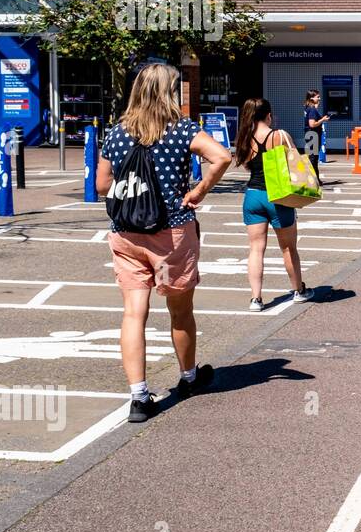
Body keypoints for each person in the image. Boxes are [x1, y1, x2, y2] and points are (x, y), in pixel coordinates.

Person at [96, 62, 231, 423]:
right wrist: (198, 190)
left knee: (133, 313)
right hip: (172, 230)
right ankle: (188, 378)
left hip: (126, 231)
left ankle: (139, 397)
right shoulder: (182, 129)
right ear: (169, 92)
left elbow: (101, 185)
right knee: (181, 311)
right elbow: (222, 156)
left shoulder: (117, 133)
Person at [236, 98, 314, 313]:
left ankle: (256, 298)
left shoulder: (244, 137)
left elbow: (246, 166)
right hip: (278, 196)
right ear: (268, 115)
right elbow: (294, 161)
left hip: (252, 195)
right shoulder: (279, 135)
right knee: (288, 247)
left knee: (255, 249)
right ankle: (298, 290)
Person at [302, 89, 329, 179]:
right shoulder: (312, 109)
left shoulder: (307, 107)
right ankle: (313, 180)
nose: (319, 98)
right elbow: (312, 124)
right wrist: (323, 120)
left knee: (311, 158)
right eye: (317, 97)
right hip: (313, 135)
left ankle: (313, 179)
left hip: (309, 134)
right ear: (311, 98)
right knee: (313, 159)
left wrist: (316, 107)